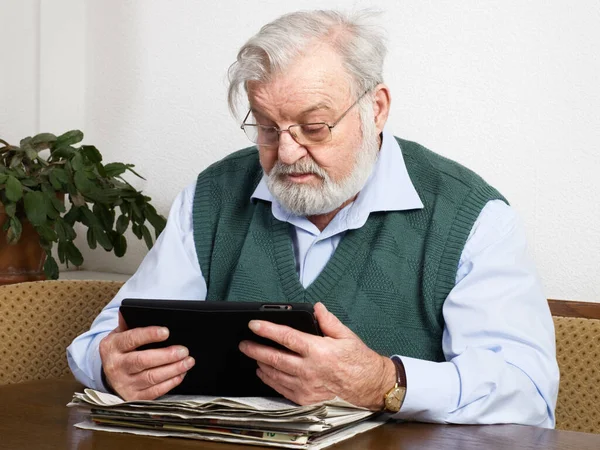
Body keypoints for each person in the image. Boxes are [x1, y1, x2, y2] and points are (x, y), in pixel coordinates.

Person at [67, 10, 559, 427]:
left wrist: (386, 383)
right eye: (265, 127)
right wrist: (111, 366)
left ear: (377, 108)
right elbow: (102, 340)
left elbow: (529, 393)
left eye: (314, 127)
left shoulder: (470, 217)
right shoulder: (213, 196)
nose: (286, 151)